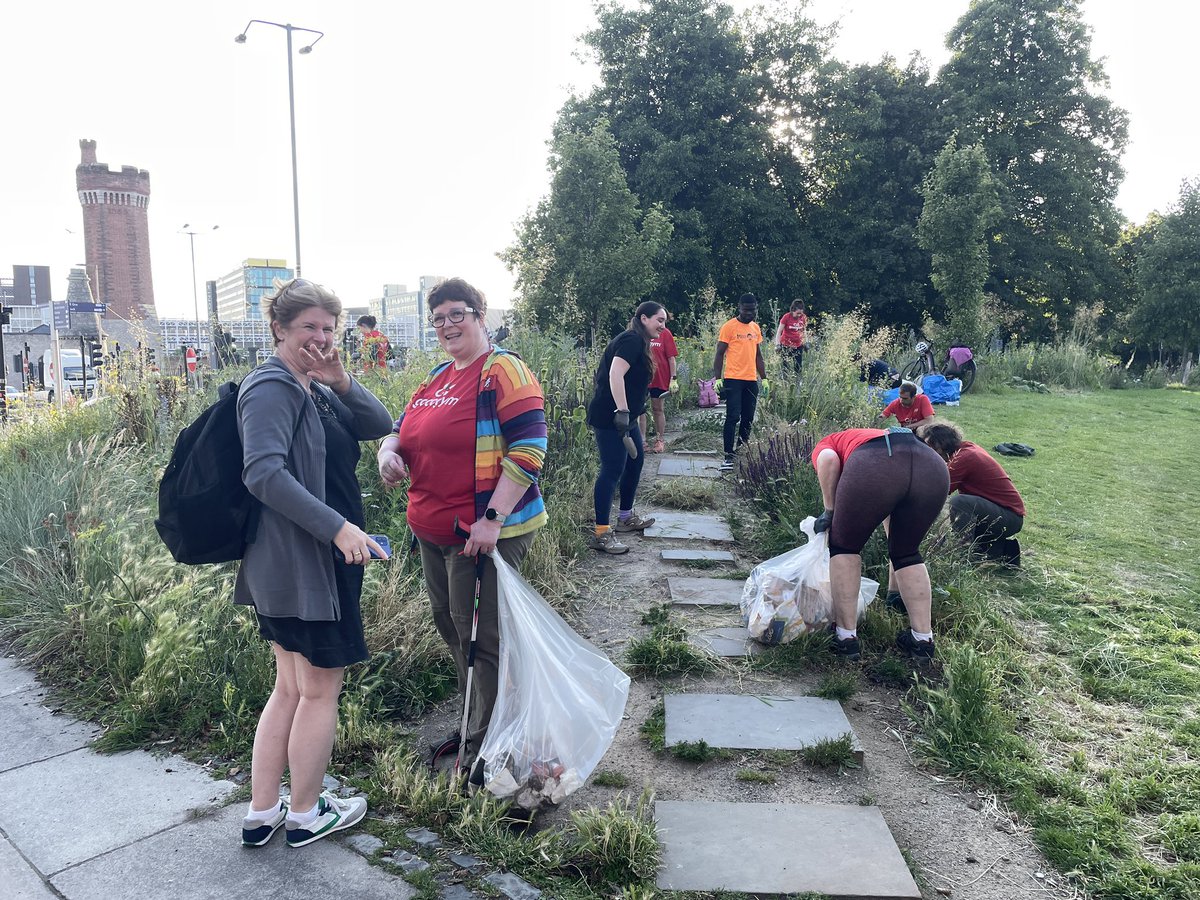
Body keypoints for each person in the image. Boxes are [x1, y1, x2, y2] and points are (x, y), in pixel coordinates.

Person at [236, 277, 395, 848]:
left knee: (290, 687)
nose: (321, 338)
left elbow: (379, 425)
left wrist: (340, 378)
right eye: (309, 327)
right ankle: (305, 814)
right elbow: (263, 473)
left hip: (306, 564)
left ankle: (263, 813)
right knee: (318, 691)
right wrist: (339, 527)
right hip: (308, 567)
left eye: (329, 328)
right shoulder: (272, 388)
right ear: (278, 328)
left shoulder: (313, 386)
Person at [376, 277, 547, 780]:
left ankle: (487, 745)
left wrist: (492, 519)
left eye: (458, 313)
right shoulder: (437, 376)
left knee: (482, 636)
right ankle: (478, 718)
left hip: (483, 531)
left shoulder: (503, 372)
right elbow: (403, 429)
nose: (448, 325)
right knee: (452, 627)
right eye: (439, 318)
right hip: (433, 528)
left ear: (480, 314)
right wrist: (389, 451)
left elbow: (530, 449)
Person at [812, 427, 949, 662]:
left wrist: (829, 511)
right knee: (907, 552)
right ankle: (922, 640)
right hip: (931, 465)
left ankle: (845, 637)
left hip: (876, 463)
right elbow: (889, 509)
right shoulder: (865, 435)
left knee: (844, 546)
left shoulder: (827, 442)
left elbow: (828, 460)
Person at [587, 302, 668, 554]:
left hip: (627, 416)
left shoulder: (640, 342)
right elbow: (614, 374)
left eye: (664, 321)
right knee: (612, 470)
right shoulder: (631, 340)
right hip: (611, 417)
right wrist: (621, 410)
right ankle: (601, 533)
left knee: (635, 461)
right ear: (644, 318)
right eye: (659, 320)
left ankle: (625, 518)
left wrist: (634, 409)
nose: (663, 326)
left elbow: (632, 381)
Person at [919, 421, 1025, 567]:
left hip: (1009, 517)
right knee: (964, 506)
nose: (930, 452)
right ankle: (1002, 551)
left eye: (932, 447)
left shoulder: (964, 458)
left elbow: (937, 490)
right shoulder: (965, 450)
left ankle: (963, 553)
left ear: (942, 444)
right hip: (1004, 514)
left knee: (960, 502)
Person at [714, 293, 769, 471]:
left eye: (752, 310)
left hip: (750, 380)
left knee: (748, 418)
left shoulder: (755, 328)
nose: (749, 313)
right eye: (746, 310)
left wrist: (765, 378)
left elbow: (758, 355)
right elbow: (719, 353)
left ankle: (741, 450)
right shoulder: (729, 327)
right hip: (733, 379)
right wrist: (717, 378)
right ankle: (728, 455)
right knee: (732, 417)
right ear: (739, 308)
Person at [641, 311, 679, 453]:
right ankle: (642, 441)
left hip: (660, 377)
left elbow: (671, 358)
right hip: (643, 377)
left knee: (658, 408)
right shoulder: (641, 333)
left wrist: (673, 378)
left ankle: (660, 439)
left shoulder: (665, 334)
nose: (660, 324)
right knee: (641, 410)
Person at [774, 298, 807, 377]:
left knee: (798, 366)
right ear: (792, 310)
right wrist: (777, 344)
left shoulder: (803, 317)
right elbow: (779, 332)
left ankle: (798, 382)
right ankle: (785, 381)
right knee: (785, 366)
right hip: (786, 345)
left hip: (798, 345)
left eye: (801, 313)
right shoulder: (786, 317)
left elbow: (804, 331)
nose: (799, 315)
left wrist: (806, 342)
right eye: (797, 313)